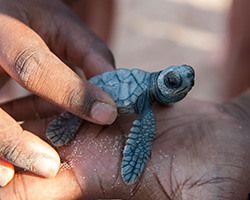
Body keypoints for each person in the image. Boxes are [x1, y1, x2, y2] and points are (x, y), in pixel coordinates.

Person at [0, 0, 249, 199]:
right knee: (77, 114)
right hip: (97, 95)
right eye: (173, 81)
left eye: (187, 81)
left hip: (107, 87)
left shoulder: (152, 91)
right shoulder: (145, 103)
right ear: (161, 80)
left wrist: (241, 114)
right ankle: (63, 118)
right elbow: (143, 132)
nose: (181, 82)